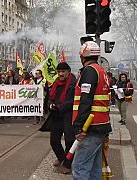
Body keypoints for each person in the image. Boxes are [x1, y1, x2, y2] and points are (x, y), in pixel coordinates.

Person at [72, 41, 112, 180]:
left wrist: (78, 127)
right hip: (100, 125)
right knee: (94, 169)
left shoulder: (89, 71)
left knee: (80, 167)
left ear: (83, 56)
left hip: (90, 126)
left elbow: (85, 101)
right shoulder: (101, 72)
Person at [48, 62, 76, 174]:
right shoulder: (56, 82)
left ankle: (67, 165)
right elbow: (50, 97)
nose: (60, 74)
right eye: (59, 72)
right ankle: (61, 157)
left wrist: (60, 107)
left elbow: (73, 100)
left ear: (68, 72)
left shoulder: (73, 83)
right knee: (54, 141)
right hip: (56, 116)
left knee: (69, 141)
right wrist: (50, 105)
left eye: (63, 71)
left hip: (68, 116)